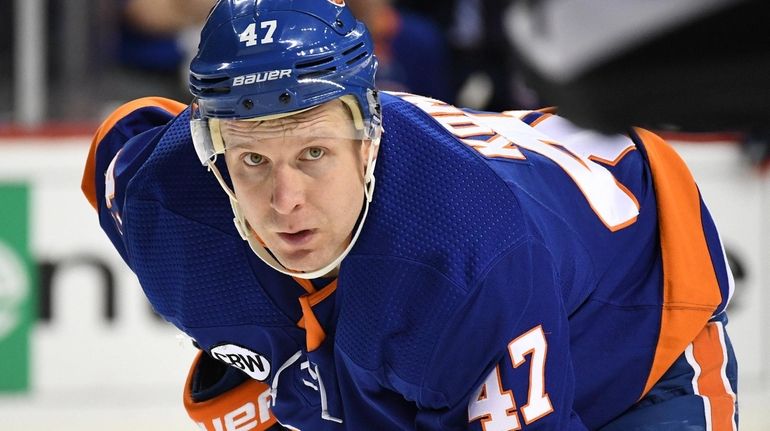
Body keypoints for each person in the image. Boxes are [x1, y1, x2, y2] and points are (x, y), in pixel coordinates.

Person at [81, 0, 738, 429]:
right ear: (212, 150)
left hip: (637, 319)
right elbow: (124, 138)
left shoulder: (468, 255)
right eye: (253, 160)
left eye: (314, 152)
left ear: (369, 137)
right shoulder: (163, 197)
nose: (285, 202)